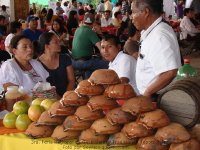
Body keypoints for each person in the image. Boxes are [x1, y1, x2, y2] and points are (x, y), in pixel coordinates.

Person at [131, 0, 181, 98]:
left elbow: (170, 72)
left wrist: (147, 93)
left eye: (133, 12)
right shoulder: (154, 30)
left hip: (157, 96)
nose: (131, 18)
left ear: (146, 12)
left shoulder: (159, 35)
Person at [71, 13, 108, 79]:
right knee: (108, 64)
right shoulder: (90, 32)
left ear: (83, 21)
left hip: (74, 62)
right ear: (93, 23)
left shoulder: (78, 29)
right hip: (83, 62)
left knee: (91, 64)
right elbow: (101, 48)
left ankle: (89, 83)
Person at [38, 32, 75, 96]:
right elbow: (42, 88)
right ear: (47, 46)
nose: (59, 44)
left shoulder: (65, 58)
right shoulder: (38, 64)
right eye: (56, 42)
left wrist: (65, 97)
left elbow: (71, 80)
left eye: (59, 41)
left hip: (68, 94)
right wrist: (58, 100)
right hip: (50, 99)